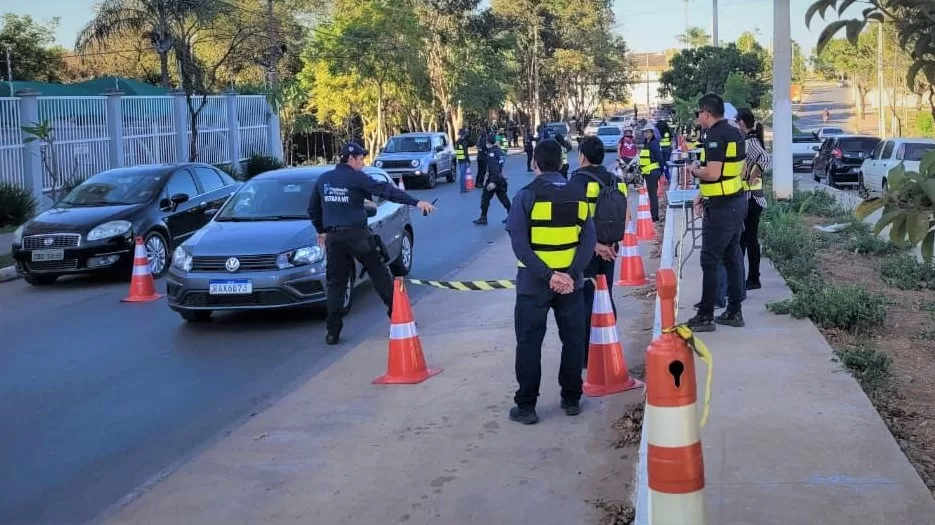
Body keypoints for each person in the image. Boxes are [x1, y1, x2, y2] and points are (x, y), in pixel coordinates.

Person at [505, 138, 596, 425]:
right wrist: (569, 274)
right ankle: (571, 399)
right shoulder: (578, 194)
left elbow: (520, 245)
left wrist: (548, 275)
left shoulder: (525, 196)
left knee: (529, 343)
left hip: (534, 284)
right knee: (572, 341)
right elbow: (588, 240)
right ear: (561, 163)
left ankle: (527, 406)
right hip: (571, 285)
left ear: (534, 163)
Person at [308, 142, 436, 345]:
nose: (363, 163)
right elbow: (386, 191)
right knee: (379, 274)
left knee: (335, 285)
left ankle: (332, 332)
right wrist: (416, 202)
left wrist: (321, 230)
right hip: (358, 236)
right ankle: (399, 317)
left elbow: (313, 210)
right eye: (360, 159)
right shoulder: (356, 177)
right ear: (350, 159)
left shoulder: (324, 179)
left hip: (334, 239)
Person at [686, 93, 748, 332]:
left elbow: (712, 172)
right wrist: (705, 193)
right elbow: (734, 172)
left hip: (722, 208)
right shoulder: (735, 132)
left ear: (706, 113)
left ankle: (706, 315)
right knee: (732, 257)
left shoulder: (714, 136)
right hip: (735, 201)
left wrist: (694, 171)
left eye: (698, 113)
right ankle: (734, 310)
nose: (698, 117)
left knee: (710, 259)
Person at [569, 136, 627, 368]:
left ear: (582, 156)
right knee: (605, 295)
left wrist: (594, 246)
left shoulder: (576, 183)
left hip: (586, 252)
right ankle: (609, 343)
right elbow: (624, 214)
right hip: (610, 249)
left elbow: (574, 221)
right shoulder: (614, 179)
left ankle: (587, 355)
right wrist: (609, 244)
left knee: (585, 302)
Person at [736, 107, 771, 290]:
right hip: (751, 198)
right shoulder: (750, 141)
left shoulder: (750, 143)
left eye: (736, 122)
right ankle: (745, 277)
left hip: (751, 199)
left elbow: (765, 159)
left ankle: (752, 278)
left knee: (747, 240)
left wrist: (751, 176)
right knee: (746, 240)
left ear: (741, 122)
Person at [473, 134, 511, 225]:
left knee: (485, 198)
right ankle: (512, 216)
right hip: (499, 178)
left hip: (493, 179)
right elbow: (500, 166)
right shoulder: (499, 151)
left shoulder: (491, 153)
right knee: (503, 198)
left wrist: (493, 182)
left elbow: (494, 168)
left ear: (489, 142)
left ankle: (483, 217)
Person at [638, 124, 666, 221]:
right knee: (651, 194)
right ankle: (654, 214)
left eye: (647, 132)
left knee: (652, 195)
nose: (645, 133)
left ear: (652, 133)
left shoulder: (653, 143)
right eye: (644, 132)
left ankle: (654, 216)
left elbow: (659, 157)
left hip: (653, 173)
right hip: (648, 172)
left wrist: (662, 171)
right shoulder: (647, 143)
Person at [455, 128, 472, 193]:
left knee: (462, 174)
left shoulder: (458, 141)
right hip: (464, 159)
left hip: (459, 159)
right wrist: (468, 160)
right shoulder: (463, 141)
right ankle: (463, 189)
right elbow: (465, 152)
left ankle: (463, 188)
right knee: (463, 175)